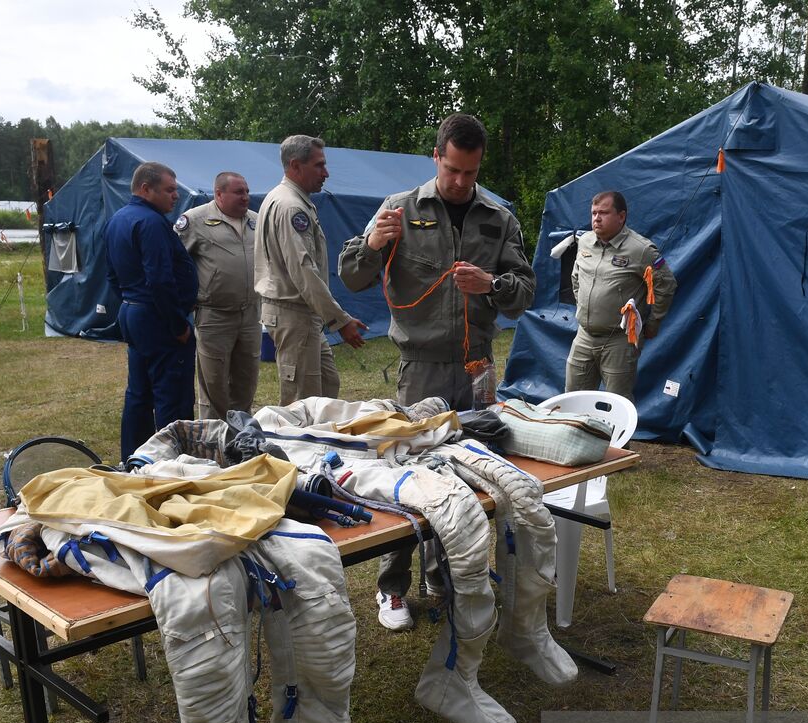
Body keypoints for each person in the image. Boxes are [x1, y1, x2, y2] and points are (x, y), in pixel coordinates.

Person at [339, 112, 536, 631]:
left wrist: (491, 284)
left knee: (470, 478)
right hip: (421, 372)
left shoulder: (498, 218)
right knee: (408, 475)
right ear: (436, 157)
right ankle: (392, 586)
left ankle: (445, 574)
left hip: (476, 369)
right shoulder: (399, 210)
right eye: (452, 170)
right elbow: (352, 275)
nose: (460, 182)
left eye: (471, 173)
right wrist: (374, 245)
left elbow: (524, 292)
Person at [255, 135, 367, 404]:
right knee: (303, 401)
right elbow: (303, 271)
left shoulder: (289, 199)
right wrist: (340, 321)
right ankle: (296, 444)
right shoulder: (291, 206)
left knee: (327, 384)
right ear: (295, 166)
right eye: (318, 165)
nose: (325, 173)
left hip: (301, 312)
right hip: (293, 311)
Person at [104, 161, 198, 461]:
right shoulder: (151, 222)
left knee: (138, 394)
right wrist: (177, 324)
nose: (175, 196)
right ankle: (172, 461)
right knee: (172, 395)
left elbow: (111, 276)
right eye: (169, 190)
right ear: (146, 188)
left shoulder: (118, 219)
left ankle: (133, 458)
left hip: (134, 312)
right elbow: (160, 277)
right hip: (157, 317)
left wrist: (132, 303)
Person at [566, 190, 677, 401]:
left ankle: (616, 435)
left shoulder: (641, 249)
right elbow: (575, 277)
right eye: (594, 213)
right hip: (584, 336)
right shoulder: (585, 241)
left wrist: (653, 322)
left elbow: (666, 285)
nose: (596, 219)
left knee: (616, 405)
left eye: (604, 213)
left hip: (619, 340)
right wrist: (586, 306)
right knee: (573, 400)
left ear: (621, 216)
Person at [175, 171, 260, 420]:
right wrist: (184, 305)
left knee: (247, 379)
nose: (245, 197)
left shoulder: (256, 220)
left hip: (250, 313)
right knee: (214, 383)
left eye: (246, 191)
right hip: (214, 315)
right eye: (238, 192)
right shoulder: (195, 220)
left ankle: (241, 435)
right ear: (219, 194)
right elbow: (176, 264)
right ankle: (213, 437)